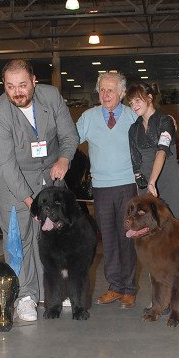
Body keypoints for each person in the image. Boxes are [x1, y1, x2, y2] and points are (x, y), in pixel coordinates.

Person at [0, 59, 79, 321]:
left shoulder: (51, 96)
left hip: (50, 176)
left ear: (34, 81)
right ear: (4, 86)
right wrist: (30, 200)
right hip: (13, 183)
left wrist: (64, 158)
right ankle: (24, 295)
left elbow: (69, 135)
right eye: (10, 86)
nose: (17, 92)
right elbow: (4, 163)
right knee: (21, 239)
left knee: (53, 238)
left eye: (23, 85)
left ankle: (54, 291)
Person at [76, 71, 138, 309]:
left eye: (111, 90)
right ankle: (114, 287)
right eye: (102, 90)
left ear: (122, 93)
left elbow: (152, 127)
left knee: (127, 238)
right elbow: (71, 139)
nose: (105, 94)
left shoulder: (133, 115)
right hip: (101, 188)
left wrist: (168, 122)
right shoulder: (88, 117)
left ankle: (129, 289)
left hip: (128, 185)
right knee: (109, 240)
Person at [126, 82, 179, 220]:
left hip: (167, 176)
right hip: (145, 181)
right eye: (131, 103)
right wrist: (141, 183)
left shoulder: (165, 120)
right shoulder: (133, 129)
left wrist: (152, 181)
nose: (134, 106)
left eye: (137, 100)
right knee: (149, 222)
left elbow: (161, 151)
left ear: (149, 98)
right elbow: (135, 161)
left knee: (171, 220)